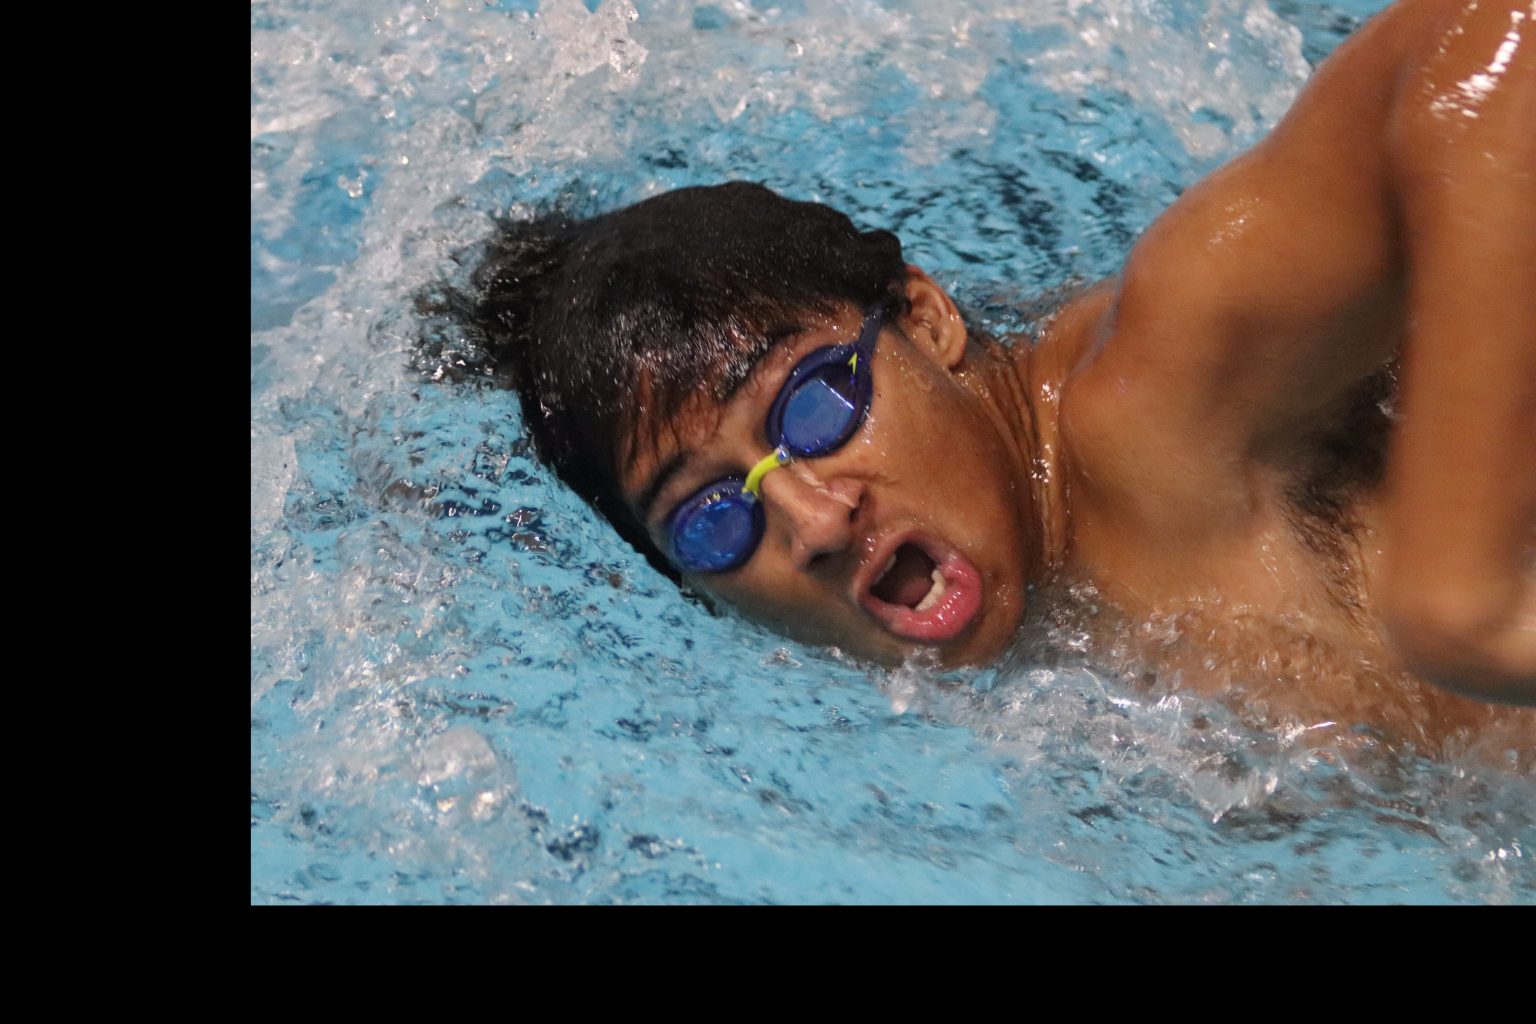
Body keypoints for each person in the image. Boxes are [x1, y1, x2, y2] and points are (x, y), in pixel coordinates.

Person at [426, 0, 1534, 736]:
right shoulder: (1055, 694)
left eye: (815, 405)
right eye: (715, 518)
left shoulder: (1153, 396)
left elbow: (1485, 39)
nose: (813, 521)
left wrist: (1457, 601)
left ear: (928, 320)